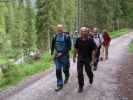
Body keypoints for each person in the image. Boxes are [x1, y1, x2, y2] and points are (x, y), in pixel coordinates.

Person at [73, 27, 96, 93]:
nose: (83, 32)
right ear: (80, 32)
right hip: (80, 58)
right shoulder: (78, 40)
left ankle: (91, 77)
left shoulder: (90, 40)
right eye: (82, 31)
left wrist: (92, 60)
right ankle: (81, 86)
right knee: (79, 73)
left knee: (88, 71)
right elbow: (76, 48)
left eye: (84, 31)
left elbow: (94, 50)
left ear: (87, 32)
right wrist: (74, 56)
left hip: (88, 58)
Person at [51, 24, 71, 91]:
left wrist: (62, 52)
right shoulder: (55, 36)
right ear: (57, 29)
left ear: (63, 29)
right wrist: (53, 53)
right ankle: (59, 84)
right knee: (58, 70)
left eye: (61, 29)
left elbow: (69, 47)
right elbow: (53, 45)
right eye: (58, 29)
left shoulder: (67, 37)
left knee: (65, 69)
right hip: (57, 57)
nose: (59, 30)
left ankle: (67, 75)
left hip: (64, 56)